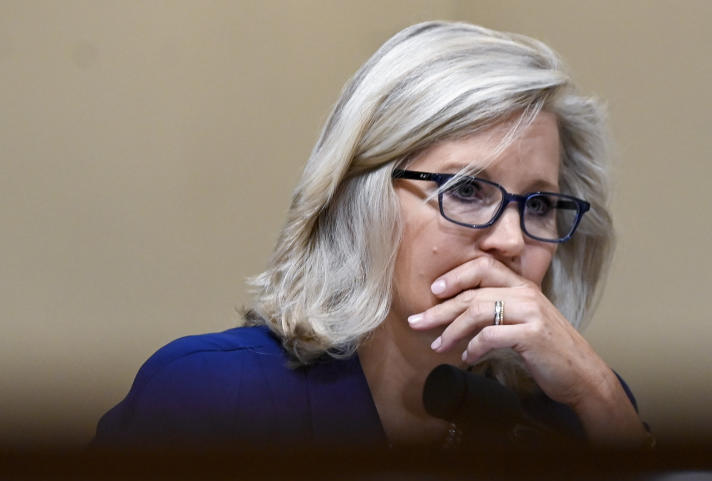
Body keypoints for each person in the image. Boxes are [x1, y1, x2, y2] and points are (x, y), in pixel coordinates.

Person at [94, 21, 649, 449]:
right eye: (466, 189)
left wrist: (601, 399)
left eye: (541, 204)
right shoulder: (211, 396)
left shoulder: (575, 412)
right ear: (364, 197)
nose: (510, 241)